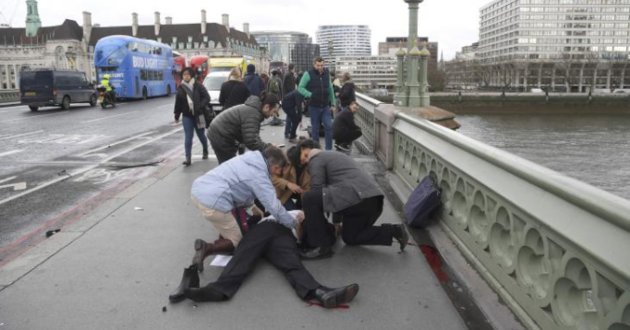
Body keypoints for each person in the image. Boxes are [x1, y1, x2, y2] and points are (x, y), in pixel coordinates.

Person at [178, 218, 360, 308]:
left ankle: (319, 292)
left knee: (291, 263)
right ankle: (217, 290)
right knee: (246, 255)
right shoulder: (295, 213)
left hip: (283, 236)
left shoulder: (305, 233)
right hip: (268, 227)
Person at [188, 146, 297, 273]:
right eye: (279, 171)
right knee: (237, 240)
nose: (277, 174)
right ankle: (206, 248)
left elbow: (240, 186)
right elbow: (274, 207)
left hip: (198, 191)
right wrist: (293, 224)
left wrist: (252, 206)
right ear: (276, 167)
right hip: (214, 201)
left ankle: (224, 235)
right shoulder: (259, 175)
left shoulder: (249, 159)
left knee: (228, 224)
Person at [297, 139, 409, 259]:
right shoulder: (334, 156)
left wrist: (309, 215)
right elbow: (335, 194)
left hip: (358, 199)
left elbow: (317, 191)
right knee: (350, 237)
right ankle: (395, 231)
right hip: (371, 201)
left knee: (309, 198)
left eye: (304, 155)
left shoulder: (317, 158)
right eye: (302, 161)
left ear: (308, 148)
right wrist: (336, 223)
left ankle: (319, 247)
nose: (305, 160)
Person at [206, 93, 279, 164]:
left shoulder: (254, 110)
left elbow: (251, 136)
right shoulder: (253, 114)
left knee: (230, 165)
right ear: (267, 107)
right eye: (274, 111)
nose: (273, 115)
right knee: (229, 166)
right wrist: (269, 148)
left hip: (221, 133)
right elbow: (252, 142)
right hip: (220, 135)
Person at [174, 67, 211, 166]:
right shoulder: (181, 87)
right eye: (184, 75)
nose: (186, 76)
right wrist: (177, 114)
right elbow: (178, 102)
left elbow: (207, 97)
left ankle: (205, 150)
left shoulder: (198, 85)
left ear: (191, 75)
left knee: (201, 135)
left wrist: (200, 105)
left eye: (188, 74)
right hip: (187, 116)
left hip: (199, 114)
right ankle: (188, 158)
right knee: (188, 137)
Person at [297, 57, 336, 150]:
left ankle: (328, 150)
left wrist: (333, 103)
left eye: (322, 65)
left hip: (325, 106)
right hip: (314, 107)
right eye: (318, 65)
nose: (320, 67)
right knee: (315, 129)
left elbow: (330, 88)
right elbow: (300, 88)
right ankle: (316, 149)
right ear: (314, 65)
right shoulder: (308, 74)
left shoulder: (327, 73)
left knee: (329, 126)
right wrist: (310, 94)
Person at [272, 146, 311, 210]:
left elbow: (307, 188)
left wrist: (304, 210)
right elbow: (272, 178)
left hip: (301, 193)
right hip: (284, 193)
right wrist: (288, 184)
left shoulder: (309, 166)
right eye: (305, 155)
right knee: (291, 212)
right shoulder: (283, 161)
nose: (306, 160)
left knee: (302, 212)